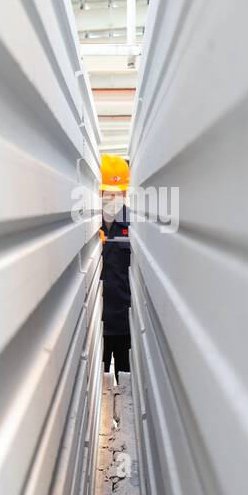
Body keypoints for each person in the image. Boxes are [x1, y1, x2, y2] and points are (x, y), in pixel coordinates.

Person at [100, 154, 131, 389]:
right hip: (97, 323)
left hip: (123, 322)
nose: (112, 197)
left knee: (126, 385)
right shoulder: (87, 224)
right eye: (106, 191)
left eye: (117, 192)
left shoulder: (134, 224)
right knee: (96, 382)